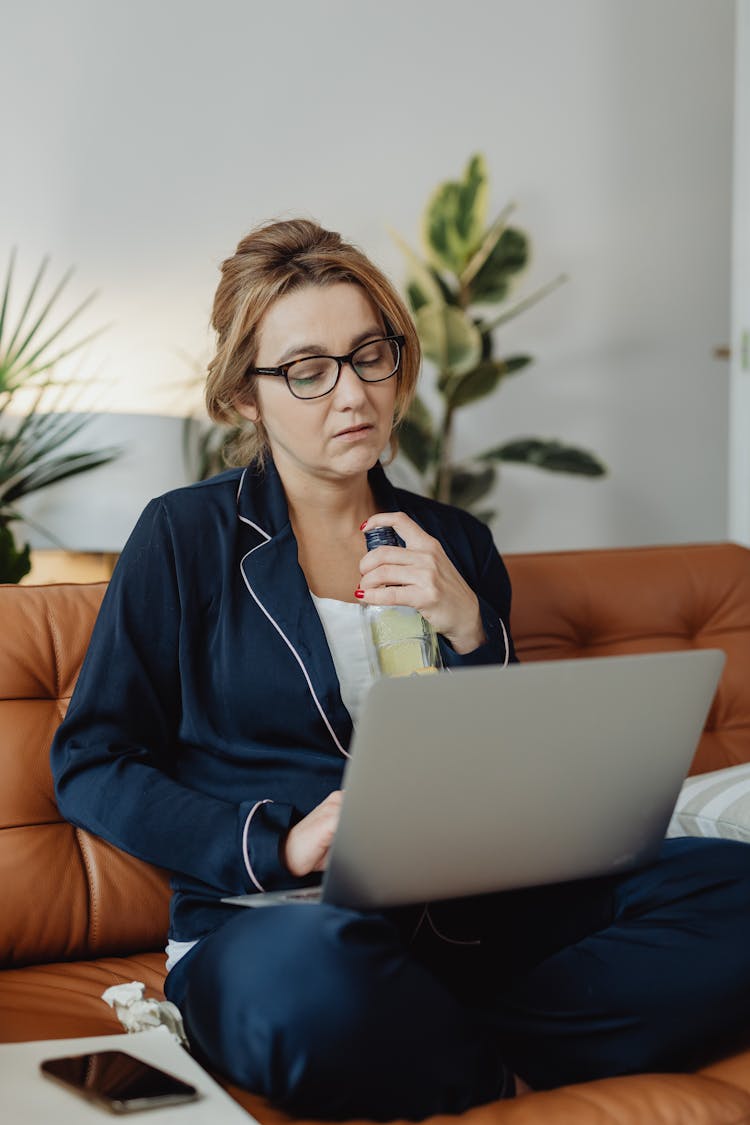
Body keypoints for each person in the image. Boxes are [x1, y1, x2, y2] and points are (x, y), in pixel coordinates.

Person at [51, 218, 750, 1122]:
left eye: (369, 354)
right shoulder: (185, 537)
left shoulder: (456, 542)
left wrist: (470, 625)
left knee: (732, 888)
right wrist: (277, 841)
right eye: (308, 369)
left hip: (465, 918)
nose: (352, 394)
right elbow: (93, 760)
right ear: (247, 398)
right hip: (276, 924)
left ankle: (438, 1043)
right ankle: (485, 1064)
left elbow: (510, 769)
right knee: (307, 979)